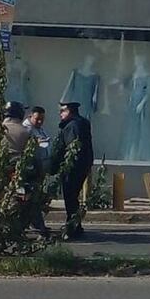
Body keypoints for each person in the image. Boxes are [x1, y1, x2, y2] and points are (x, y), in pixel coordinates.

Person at [3, 102, 49, 237]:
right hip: (24, 171)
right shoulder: (25, 132)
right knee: (31, 201)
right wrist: (40, 173)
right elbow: (35, 155)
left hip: (2, 171)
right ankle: (39, 228)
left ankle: (6, 227)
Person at [51, 101, 95, 240]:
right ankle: (75, 224)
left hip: (73, 167)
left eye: (62, 111)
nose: (60, 114)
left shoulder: (73, 126)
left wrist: (60, 164)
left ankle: (73, 226)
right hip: (82, 166)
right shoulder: (81, 123)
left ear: (69, 111)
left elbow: (72, 148)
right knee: (73, 196)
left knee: (70, 196)